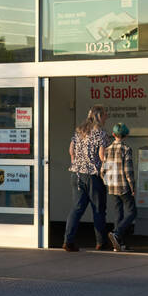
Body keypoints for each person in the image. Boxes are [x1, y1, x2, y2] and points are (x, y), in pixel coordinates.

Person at [63, 106, 111, 252]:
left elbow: (71, 150)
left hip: (76, 174)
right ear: (99, 116)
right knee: (98, 209)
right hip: (93, 176)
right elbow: (102, 155)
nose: (106, 117)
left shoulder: (79, 131)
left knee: (77, 208)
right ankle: (101, 242)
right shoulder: (101, 133)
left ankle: (68, 241)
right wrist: (108, 167)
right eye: (105, 115)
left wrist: (76, 162)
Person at [100, 122, 136, 251]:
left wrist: (107, 182)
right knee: (132, 212)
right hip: (124, 186)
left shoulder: (107, 149)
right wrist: (132, 186)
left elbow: (102, 170)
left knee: (118, 213)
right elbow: (128, 171)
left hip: (112, 185)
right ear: (126, 135)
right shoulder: (126, 149)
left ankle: (118, 244)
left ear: (113, 134)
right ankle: (117, 233)